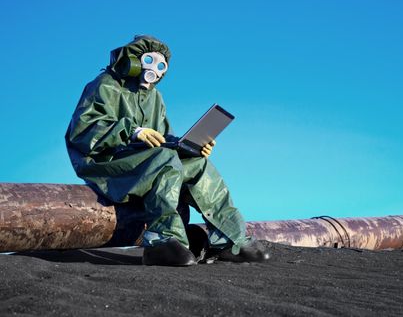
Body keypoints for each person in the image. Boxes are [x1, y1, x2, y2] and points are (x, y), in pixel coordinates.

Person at [65, 35, 269, 266]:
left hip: (147, 160)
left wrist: (189, 147)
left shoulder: (155, 97)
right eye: (150, 60)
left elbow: (162, 138)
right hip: (105, 162)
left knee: (198, 166)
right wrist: (131, 131)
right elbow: (83, 131)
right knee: (165, 159)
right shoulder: (104, 85)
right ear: (133, 59)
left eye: (162, 65)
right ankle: (161, 242)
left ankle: (229, 240)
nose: (156, 69)